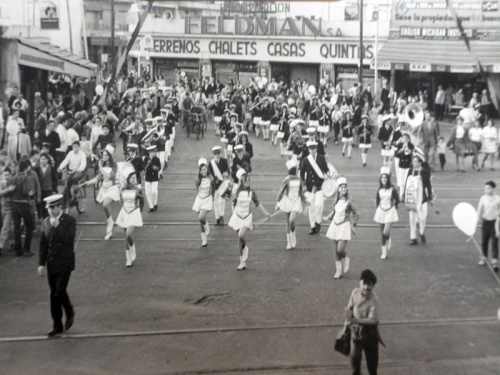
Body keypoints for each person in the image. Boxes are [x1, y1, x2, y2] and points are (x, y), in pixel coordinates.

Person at [38, 194, 76, 337]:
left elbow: (69, 239)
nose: (50, 211)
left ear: (60, 207)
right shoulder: (46, 222)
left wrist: (58, 226)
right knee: (53, 294)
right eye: (49, 208)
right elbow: (43, 244)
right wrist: (41, 264)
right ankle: (57, 325)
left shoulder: (69, 220)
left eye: (53, 208)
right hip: (52, 262)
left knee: (59, 292)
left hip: (65, 262)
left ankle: (69, 310)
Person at [228, 169, 271, 270]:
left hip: (247, 217)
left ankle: (246, 246)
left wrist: (265, 213)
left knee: (241, 235)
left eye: (249, 180)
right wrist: (233, 213)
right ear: (241, 181)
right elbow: (233, 203)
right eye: (245, 180)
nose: (247, 182)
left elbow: (258, 203)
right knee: (239, 240)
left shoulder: (251, 192)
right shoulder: (237, 192)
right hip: (237, 216)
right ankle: (242, 262)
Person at [344, 269, 383, 375]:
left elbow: (373, 320)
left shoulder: (374, 299)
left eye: (369, 284)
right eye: (364, 283)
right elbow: (349, 308)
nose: (366, 287)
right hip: (356, 334)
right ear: (360, 283)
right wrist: (345, 328)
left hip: (370, 334)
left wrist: (355, 320)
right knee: (355, 363)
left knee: (372, 365)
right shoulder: (355, 292)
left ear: (373, 286)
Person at [324, 177, 359, 279]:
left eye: (344, 187)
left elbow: (356, 213)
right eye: (341, 188)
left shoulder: (349, 200)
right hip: (335, 225)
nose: (343, 189)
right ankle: (338, 271)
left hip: (344, 226)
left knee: (340, 250)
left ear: (347, 189)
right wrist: (327, 217)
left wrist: (353, 224)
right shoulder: (336, 199)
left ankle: (346, 258)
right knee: (336, 249)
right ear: (338, 189)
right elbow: (334, 212)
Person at [84, 144, 120, 239]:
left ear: (110, 156)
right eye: (103, 155)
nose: (104, 157)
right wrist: (88, 182)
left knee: (105, 204)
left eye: (106, 155)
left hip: (112, 188)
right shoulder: (102, 164)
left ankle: (110, 222)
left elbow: (111, 176)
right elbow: (98, 178)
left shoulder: (114, 165)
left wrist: (101, 169)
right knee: (105, 209)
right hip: (104, 188)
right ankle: (110, 224)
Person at [403, 151, 433, 245]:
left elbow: (428, 184)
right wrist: (404, 194)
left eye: (416, 161)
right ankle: (413, 238)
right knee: (412, 218)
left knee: (422, 217)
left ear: (420, 162)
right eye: (413, 161)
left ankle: (421, 232)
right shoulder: (410, 171)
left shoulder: (425, 171)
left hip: (422, 197)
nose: (413, 163)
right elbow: (407, 183)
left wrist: (430, 196)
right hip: (412, 198)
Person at [300, 140, 329, 235]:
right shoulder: (305, 160)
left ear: (316, 148)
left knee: (319, 205)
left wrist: (328, 175)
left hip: (320, 186)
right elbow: (301, 174)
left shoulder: (321, 158)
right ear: (308, 149)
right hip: (309, 187)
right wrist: (303, 185)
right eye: (310, 148)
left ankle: (318, 221)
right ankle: (313, 226)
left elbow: (326, 169)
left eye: (314, 148)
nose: (312, 150)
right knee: (311, 207)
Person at [115, 171, 144, 267]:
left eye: (135, 178)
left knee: (128, 234)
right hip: (124, 212)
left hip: (134, 213)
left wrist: (138, 210)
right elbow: (121, 199)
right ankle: (128, 258)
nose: (134, 180)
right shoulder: (123, 188)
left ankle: (133, 249)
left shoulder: (138, 189)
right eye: (132, 178)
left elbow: (142, 202)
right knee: (126, 236)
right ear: (128, 179)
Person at [276, 159, 306, 250]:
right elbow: (281, 191)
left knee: (292, 220)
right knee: (288, 222)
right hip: (288, 201)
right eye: (296, 168)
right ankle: (289, 242)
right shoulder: (287, 179)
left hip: (296, 201)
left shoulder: (299, 179)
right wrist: (278, 202)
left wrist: (305, 199)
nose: (297, 170)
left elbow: (300, 191)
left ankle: (293, 235)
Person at [11, 160, 37, 257]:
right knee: (30, 226)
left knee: (17, 228)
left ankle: (18, 250)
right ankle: (26, 248)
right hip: (23, 205)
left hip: (14, 205)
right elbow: (26, 191)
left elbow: (12, 190)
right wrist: (31, 193)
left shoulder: (15, 177)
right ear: (26, 168)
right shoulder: (25, 177)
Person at [374, 167, 400, 259]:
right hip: (381, 211)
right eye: (382, 178)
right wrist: (378, 207)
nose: (384, 179)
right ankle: (384, 252)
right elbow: (377, 200)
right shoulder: (379, 190)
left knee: (385, 232)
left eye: (385, 178)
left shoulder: (392, 189)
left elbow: (397, 199)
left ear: (388, 179)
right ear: (380, 179)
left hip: (390, 211)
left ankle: (388, 237)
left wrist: (395, 205)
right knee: (382, 233)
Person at [476, 181, 500, 271]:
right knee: (484, 241)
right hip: (485, 222)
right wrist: (477, 219)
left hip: (495, 223)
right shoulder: (483, 198)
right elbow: (479, 209)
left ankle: (495, 261)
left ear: (493, 189)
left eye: (488, 188)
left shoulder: (498, 199)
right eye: (485, 188)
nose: (486, 190)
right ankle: (484, 257)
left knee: (494, 242)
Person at [57, 141, 87, 206]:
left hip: (79, 171)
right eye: (74, 147)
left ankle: (76, 193)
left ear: (79, 147)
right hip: (71, 171)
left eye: (77, 147)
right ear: (72, 147)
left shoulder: (82, 154)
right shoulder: (70, 153)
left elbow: (83, 163)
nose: (75, 148)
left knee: (74, 178)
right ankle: (66, 200)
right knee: (67, 185)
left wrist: (79, 169)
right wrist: (60, 167)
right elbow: (66, 161)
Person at [192, 158, 213, 247]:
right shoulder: (197, 179)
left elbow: (213, 190)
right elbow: (197, 188)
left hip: (207, 199)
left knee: (201, 217)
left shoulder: (211, 178)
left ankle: (207, 225)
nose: (203, 171)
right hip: (199, 199)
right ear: (199, 171)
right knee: (200, 221)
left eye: (204, 169)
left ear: (207, 169)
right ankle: (204, 240)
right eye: (201, 170)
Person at [208, 145, 230, 226]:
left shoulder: (224, 161)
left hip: (223, 184)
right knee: (215, 202)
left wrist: (226, 174)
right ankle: (217, 218)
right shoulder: (211, 163)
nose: (217, 155)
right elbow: (209, 174)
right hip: (215, 186)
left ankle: (221, 217)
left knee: (222, 202)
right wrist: (213, 180)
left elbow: (228, 171)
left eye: (218, 153)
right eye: (216, 154)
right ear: (214, 154)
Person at [144, 145, 161, 212]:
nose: (154, 153)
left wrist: (153, 166)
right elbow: (143, 168)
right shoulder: (146, 159)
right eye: (153, 152)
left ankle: (155, 203)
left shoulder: (157, 159)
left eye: (155, 152)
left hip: (154, 177)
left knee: (154, 191)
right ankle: (151, 207)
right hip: (148, 177)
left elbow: (159, 168)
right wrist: (146, 165)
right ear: (149, 152)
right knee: (148, 192)